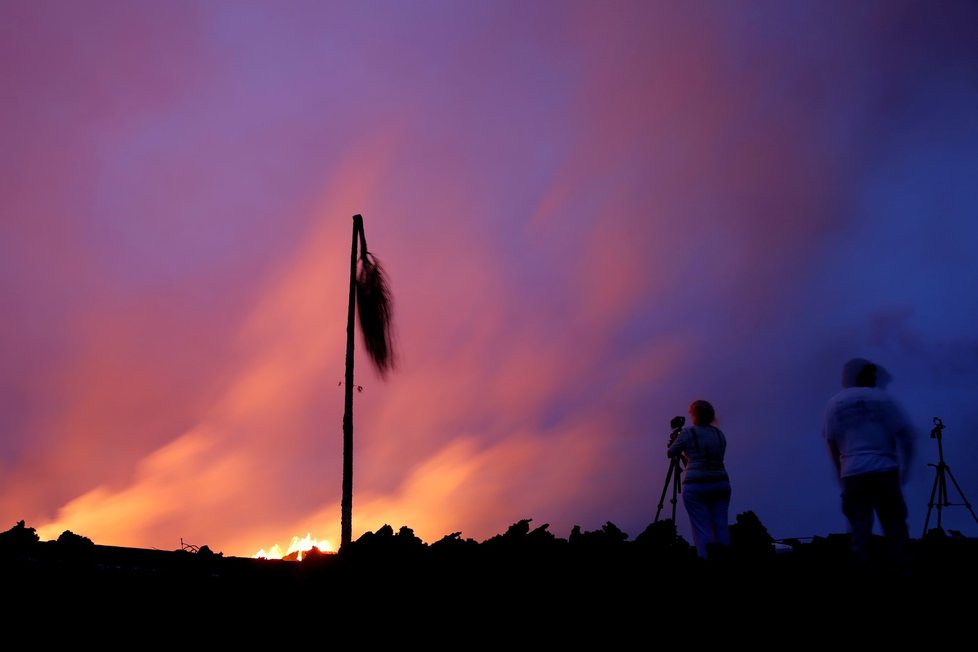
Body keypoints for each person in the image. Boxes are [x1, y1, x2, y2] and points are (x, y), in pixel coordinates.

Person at [822, 358, 916, 572]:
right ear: (870, 376)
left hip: (853, 472)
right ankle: (903, 569)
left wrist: (841, 473)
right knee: (895, 526)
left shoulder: (835, 403)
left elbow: (831, 442)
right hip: (884, 470)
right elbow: (905, 436)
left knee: (859, 530)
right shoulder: (883, 399)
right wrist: (905, 468)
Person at [667, 399, 732, 559]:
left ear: (695, 415)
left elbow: (671, 452)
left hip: (696, 485)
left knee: (701, 526)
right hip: (721, 483)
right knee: (721, 525)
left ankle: (705, 559)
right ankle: (725, 558)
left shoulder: (689, 433)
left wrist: (676, 440)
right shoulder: (719, 434)